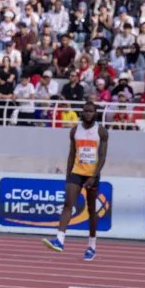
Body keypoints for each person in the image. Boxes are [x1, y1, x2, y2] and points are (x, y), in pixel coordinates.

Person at [43, 101, 108, 261]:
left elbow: (102, 156)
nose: (88, 113)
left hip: (92, 174)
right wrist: (68, 176)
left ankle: (91, 246)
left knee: (91, 211)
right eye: (86, 111)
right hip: (76, 172)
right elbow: (72, 154)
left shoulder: (101, 131)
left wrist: (94, 176)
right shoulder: (74, 131)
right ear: (82, 112)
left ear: (95, 113)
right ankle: (59, 240)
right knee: (68, 204)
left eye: (91, 111)